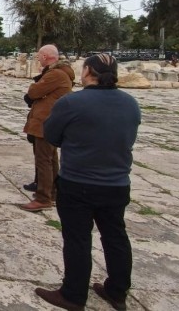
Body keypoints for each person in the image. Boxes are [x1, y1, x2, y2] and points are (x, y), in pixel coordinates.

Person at [33, 54, 140, 311]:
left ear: (89, 71)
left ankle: (73, 294)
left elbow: (52, 135)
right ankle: (117, 291)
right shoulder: (130, 103)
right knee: (115, 237)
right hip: (117, 183)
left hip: (78, 181)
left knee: (78, 239)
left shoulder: (73, 102)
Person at [21, 44, 76, 212]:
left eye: (39, 56)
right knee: (50, 159)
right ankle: (52, 192)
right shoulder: (59, 73)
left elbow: (33, 91)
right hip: (49, 121)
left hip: (46, 121)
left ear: (45, 57)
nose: (38, 59)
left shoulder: (55, 74)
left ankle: (44, 197)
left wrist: (36, 89)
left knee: (43, 160)